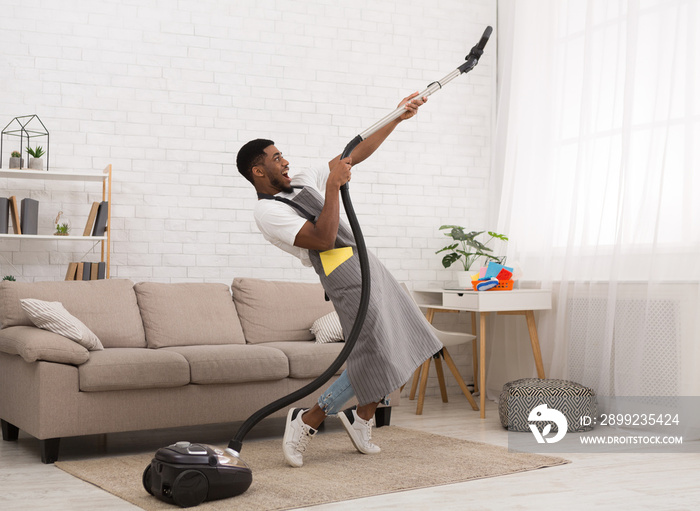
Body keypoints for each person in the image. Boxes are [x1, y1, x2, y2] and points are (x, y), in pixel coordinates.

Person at [236, 92, 443, 468]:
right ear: (258, 171)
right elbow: (323, 239)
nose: (286, 161)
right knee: (372, 352)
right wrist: (332, 187)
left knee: (406, 340)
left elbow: (352, 155)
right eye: (276, 158)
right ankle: (310, 418)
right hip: (341, 275)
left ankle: (361, 416)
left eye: (283, 155)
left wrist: (397, 117)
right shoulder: (267, 212)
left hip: (368, 265)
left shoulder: (301, 181)